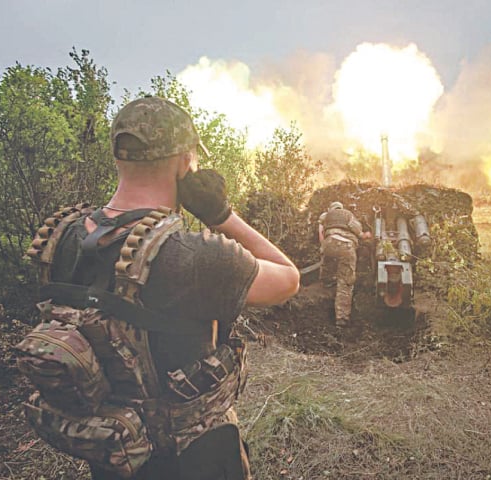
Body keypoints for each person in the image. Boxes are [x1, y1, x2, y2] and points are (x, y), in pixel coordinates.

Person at [38, 96, 300, 479]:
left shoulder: (61, 238)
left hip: (115, 452)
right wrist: (221, 215)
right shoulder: (197, 256)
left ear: (118, 158)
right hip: (197, 457)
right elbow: (288, 278)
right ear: (184, 163)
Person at [318, 201, 370, 327]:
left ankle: (326, 282)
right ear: (342, 208)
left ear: (330, 208)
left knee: (327, 265)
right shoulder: (348, 215)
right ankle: (341, 318)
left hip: (329, 242)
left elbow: (320, 231)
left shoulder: (326, 215)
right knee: (345, 282)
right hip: (346, 246)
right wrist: (366, 235)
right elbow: (359, 232)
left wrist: (323, 245)